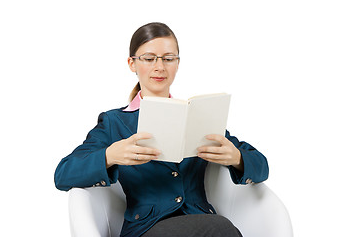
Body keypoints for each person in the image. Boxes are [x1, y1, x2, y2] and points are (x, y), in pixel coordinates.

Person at [54, 22, 269, 237]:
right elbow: (63, 174)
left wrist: (237, 158)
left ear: (177, 63)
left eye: (168, 59)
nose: (160, 67)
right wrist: (110, 156)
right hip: (147, 229)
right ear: (132, 64)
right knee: (220, 227)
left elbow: (262, 166)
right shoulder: (115, 122)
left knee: (218, 227)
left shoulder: (198, 115)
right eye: (149, 59)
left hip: (200, 220)